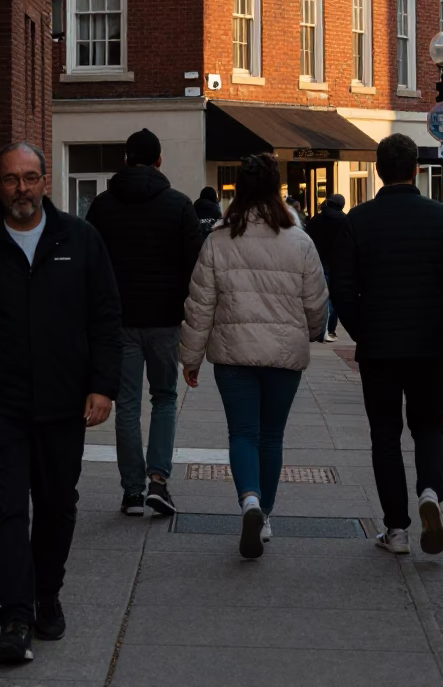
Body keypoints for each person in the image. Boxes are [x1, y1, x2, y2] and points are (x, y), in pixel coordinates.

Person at [0, 142, 121, 665]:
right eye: (10, 179)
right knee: (5, 510)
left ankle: (48, 593)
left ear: (46, 181)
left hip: (63, 403)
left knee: (56, 506)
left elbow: (105, 316)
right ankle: (16, 616)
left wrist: (103, 385)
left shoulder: (81, 238)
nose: (21, 188)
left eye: (30, 177)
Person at [180, 153, 328, 559]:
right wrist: (312, 332)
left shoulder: (218, 240)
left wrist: (191, 358)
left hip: (233, 357)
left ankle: (247, 498)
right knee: (272, 436)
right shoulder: (299, 240)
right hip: (283, 356)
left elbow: (200, 304)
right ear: (277, 188)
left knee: (242, 434)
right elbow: (317, 303)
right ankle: (264, 514)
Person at [331, 134, 443, 558]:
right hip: (429, 344)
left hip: (380, 346)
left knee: (385, 434)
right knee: (429, 425)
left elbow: (344, 287)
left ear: (377, 170)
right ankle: (430, 490)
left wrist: (362, 330)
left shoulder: (359, 219)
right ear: (416, 169)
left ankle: (397, 528)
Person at [86, 128, 201, 518]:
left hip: (119, 321)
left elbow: (91, 268)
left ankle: (132, 492)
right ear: (159, 161)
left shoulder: (102, 206)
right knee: (165, 399)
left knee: (128, 405)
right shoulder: (178, 204)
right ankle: (158, 482)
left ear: (125, 160)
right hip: (165, 320)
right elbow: (193, 267)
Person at [306, 193, 346, 341]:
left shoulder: (317, 219)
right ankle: (331, 330)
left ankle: (322, 328)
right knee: (334, 298)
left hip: (319, 261)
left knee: (321, 296)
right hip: (337, 264)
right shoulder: (345, 220)